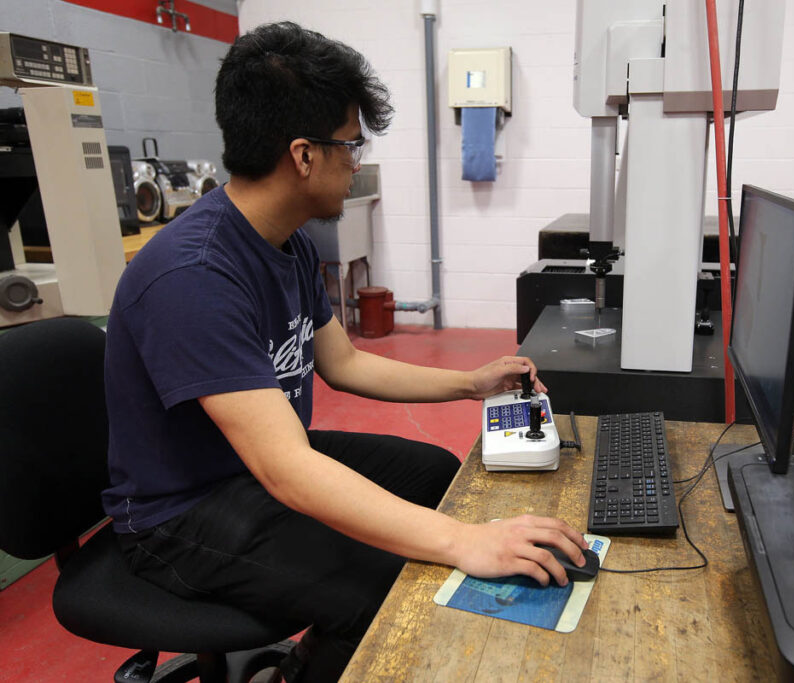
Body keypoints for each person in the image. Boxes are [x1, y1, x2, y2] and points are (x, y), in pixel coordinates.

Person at [101, 21, 588, 683]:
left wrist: (470, 382)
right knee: (379, 581)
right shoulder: (194, 277)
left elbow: (344, 363)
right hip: (179, 510)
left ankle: (319, 652)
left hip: (252, 467)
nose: (357, 161)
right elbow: (287, 472)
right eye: (352, 144)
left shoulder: (289, 241)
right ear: (304, 155)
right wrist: (466, 542)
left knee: (432, 472)